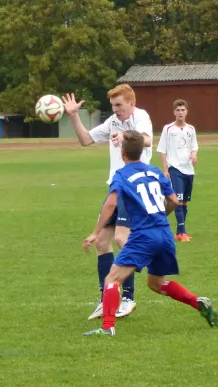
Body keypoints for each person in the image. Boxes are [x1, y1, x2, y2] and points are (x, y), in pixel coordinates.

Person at [82, 131, 218, 336]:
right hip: (164, 234)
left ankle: (107, 327)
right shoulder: (155, 172)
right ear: (142, 150)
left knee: (112, 279)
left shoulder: (121, 175)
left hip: (143, 236)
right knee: (156, 284)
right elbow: (174, 201)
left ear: (122, 153)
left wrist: (95, 233)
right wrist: (161, 216)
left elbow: (111, 203)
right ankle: (196, 301)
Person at [62, 85, 153, 320]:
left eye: (119, 105)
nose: (115, 110)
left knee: (123, 239)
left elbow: (148, 140)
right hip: (116, 186)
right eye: (113, 106)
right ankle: (106, 299)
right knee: (102, 242)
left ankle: (128, 298)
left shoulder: (141, 116)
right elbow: (85, 140)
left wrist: (126, 136)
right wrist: (73, 116)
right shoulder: (113, 121)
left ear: (131, 103)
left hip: (133, 188)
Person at [157, 99, 198, 242]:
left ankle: (179, 232)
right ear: (174, 112)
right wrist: (165, 169)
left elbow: (194, 146)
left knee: (184, 202)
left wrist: (194, 155)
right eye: (178, 110)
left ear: (187, 112)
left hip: (189, 170)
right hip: (175, 169)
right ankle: (182, 232)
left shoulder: (191, 129)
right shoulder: (168, 129)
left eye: (183, 110)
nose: (180, 112)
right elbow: (162, 150)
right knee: (178, 200)